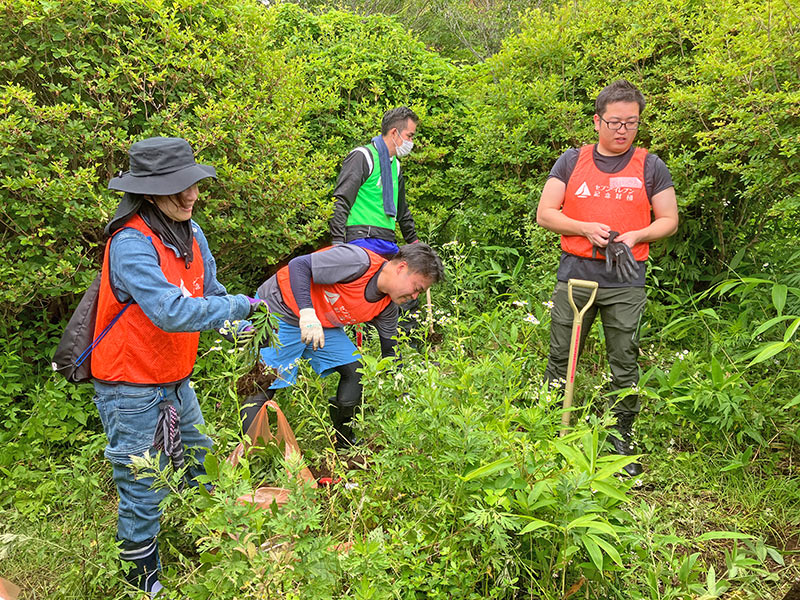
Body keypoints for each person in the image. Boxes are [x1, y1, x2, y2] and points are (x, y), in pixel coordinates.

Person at [93, 137, 263, 595]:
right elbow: (171, 311)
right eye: (177, 189)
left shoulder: (191, 233)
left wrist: (246, 327)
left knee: (202, 462)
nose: (191, 196)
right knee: (145, 487)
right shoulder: (130, 243)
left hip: (174, 379)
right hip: (129, 387)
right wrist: (242, 307)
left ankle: (224, 545)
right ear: (148, 193)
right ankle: (141, 583)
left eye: (192, 185)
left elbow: (209, 292)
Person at [536, 80, 679, 476]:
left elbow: (668, 219)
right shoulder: (571, 161)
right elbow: (546, 213)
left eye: (631, 123)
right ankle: (550, 429)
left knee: (624, 360)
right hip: (575, 276)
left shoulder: (651, 166)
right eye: (615, 122)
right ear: (597, 120)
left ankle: (621, 437)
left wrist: (638, 234)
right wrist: (583, 228)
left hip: (626, 279)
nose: (623, 130)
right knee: (561, 357)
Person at [245, 242, 444, 448]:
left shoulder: (386, 307)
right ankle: (252, 454)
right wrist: (307, 312)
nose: (414, 297)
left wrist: (401, 388)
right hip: (280, 308)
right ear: (401, 268)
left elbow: (390, 350)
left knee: (356, 370)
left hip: (322, 322)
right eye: (417, 288)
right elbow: (299, 265)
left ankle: (345, 443)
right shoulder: (357, 262)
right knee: (264, 379)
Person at [329, 106, 422, 341]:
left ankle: (401, 350)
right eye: (410, 136)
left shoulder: (396, 165)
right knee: (371, 293)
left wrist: (414, 243)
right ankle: (367, 348)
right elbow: (341, 201)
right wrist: (338, 244)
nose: (411, 142)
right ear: (394, 133)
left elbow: (402, 210)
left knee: (409, 286)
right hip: (361, 239)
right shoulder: (363, 156)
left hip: (387, 241)